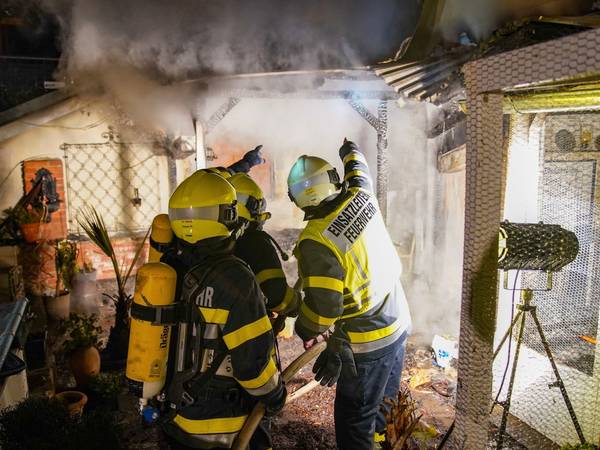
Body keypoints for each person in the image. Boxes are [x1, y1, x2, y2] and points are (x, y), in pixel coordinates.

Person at [287, 139, 412, 450]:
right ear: (332, 179)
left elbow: (324, 309)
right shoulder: (361, 193)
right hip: (399, 319)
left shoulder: (315, 241)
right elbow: (358, 165)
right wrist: (348, 150)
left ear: (297, 199)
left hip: (369, 341)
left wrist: (304, 328)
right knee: (385, 405)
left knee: (355, 419)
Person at [160, 170, 286, 450]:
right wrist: (275, 395)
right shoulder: (235, 279)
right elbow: (252, 367)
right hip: (221, 426)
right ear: (227, 216)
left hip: (175, 417)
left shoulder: (168, 268)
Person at [229, 172, 299, 321]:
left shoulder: (213, 239)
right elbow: (277, 297)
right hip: (247, 326)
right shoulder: (256, 243)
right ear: (253, 207)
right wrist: (296, 302)